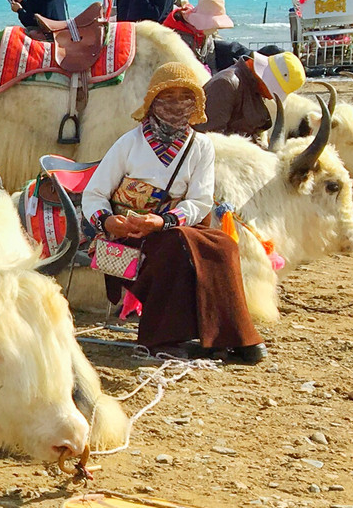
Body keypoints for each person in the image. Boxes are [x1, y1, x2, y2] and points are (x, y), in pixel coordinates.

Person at [80, 62, 264, 363]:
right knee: (176, 247)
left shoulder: (201, 146)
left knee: (224, 245)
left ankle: (231, 337)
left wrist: (163, 221)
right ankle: (158, 340)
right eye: (168, 95)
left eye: (184, 96)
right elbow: (95, 194)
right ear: (153, 101)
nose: (176, 104)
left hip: (175, 229)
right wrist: (109, 221)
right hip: (128, 239)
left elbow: (200, 201)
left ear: (195, 104)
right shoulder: (128, 144)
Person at [200, 48, 304, 139]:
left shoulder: (251, 86)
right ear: (267, 78)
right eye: (273, 90)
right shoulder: (226, 85)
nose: (270, 97)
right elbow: (210, 138)